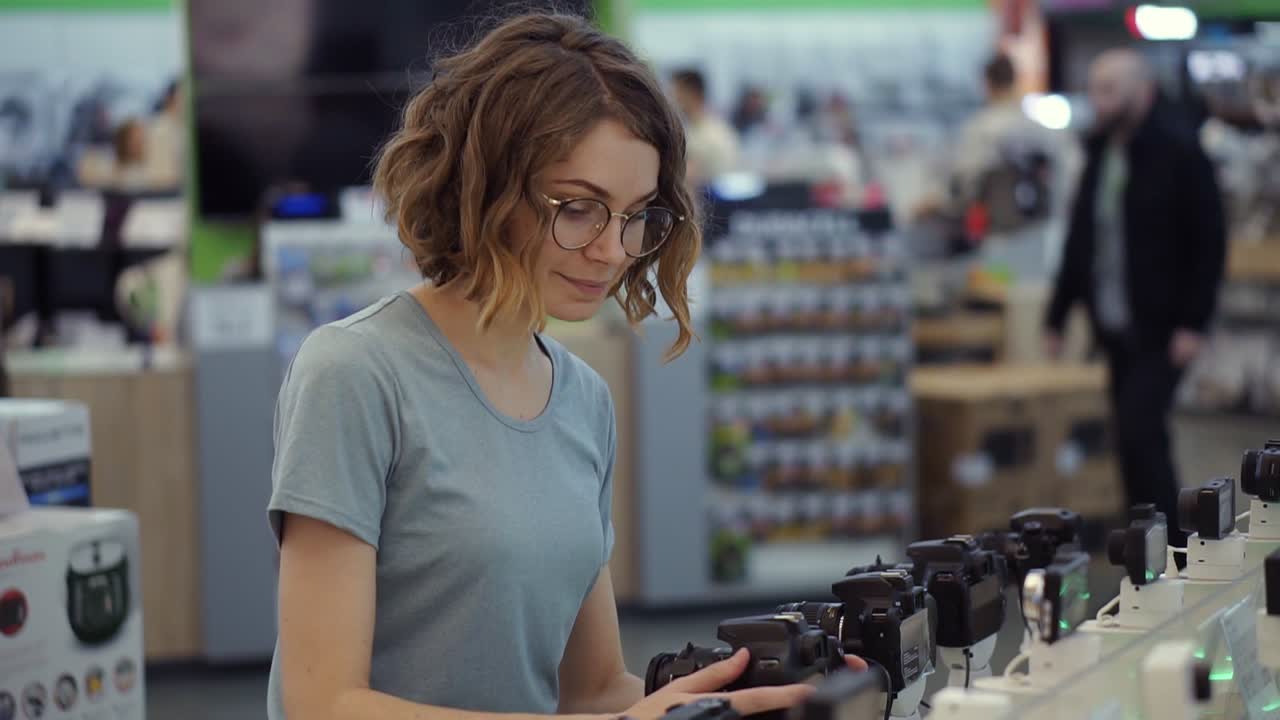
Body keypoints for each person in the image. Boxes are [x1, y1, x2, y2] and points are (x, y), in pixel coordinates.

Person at [267, 13, 865, 720]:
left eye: (637, 214)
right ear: (484, 187)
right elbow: (321, 703)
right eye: (580, 209)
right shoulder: (356, 373)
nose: (614, 250)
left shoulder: (582, 398)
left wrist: (748, 697)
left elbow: (592, 691)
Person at [1044, 49, 1226, 545]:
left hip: (1163, 326)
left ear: (1142, 91)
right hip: (1115, 326)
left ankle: (1173, 545)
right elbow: (1082, 241)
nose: (1099, 101)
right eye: (1095, 88)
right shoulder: (1101, 153)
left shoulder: (1179, 151)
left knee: (1140, 429)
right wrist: (1057, 316)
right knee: (1130, 439)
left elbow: (1208, 239)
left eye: (1110, 89)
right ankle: (1144, 542)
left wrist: (1194, 321)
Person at [670, 68, 740, 187]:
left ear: (690, 93)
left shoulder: (704, 136)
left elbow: (686, 177)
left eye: (676, 92)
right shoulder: (718, 128)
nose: (672, 99)